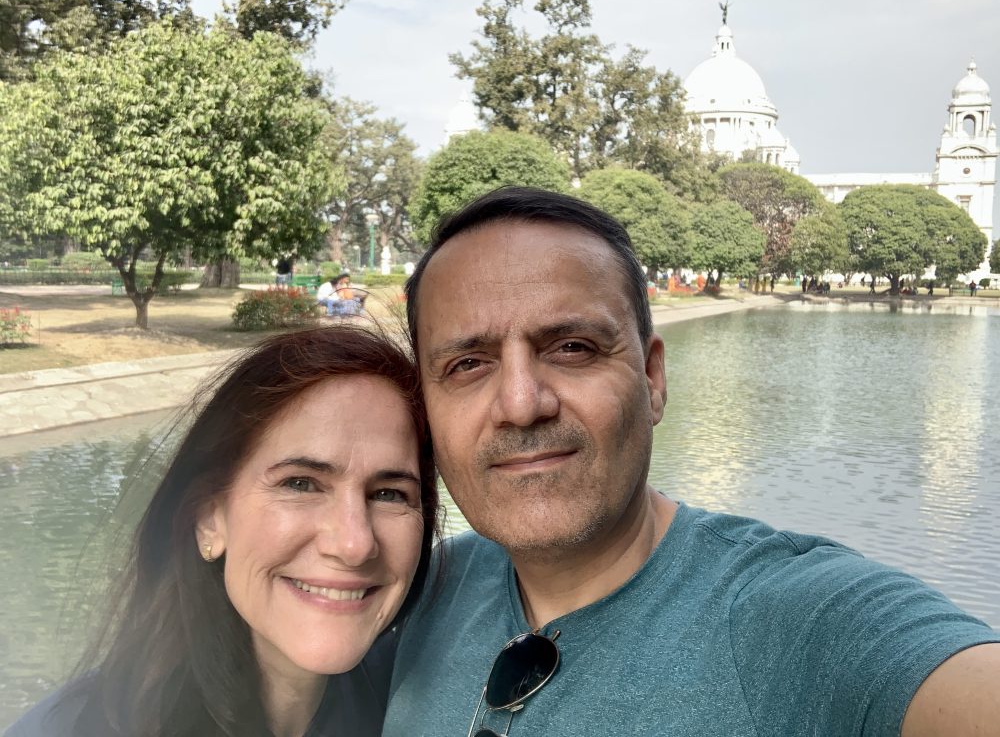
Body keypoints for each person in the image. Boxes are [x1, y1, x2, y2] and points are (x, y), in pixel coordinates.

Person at [384, 186, 1000, 736]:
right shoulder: (415, 589)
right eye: (468, 364)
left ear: (652, 379)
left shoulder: (799, 621)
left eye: (572, 348)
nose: (521, 405)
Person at [7, 326, 439, 737]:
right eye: (300, 484)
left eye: (389, 494)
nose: (354, 544)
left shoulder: (411, 701)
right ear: (210, 518)